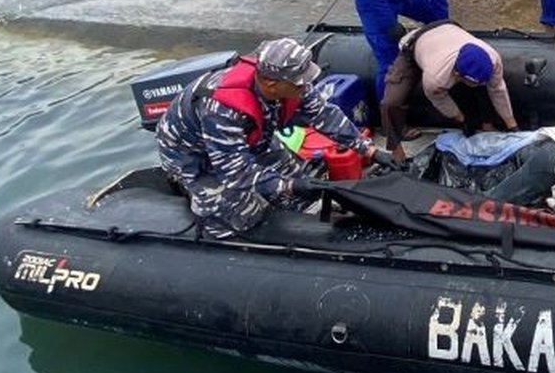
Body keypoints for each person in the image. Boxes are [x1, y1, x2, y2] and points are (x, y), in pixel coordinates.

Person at [156, 37, 396, 239]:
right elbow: (235, 171)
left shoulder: (291, 84)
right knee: (241, 216)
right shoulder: (221, 109)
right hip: (194, 153)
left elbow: (324, 115)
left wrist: (369, 150)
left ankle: (308, 224)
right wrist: (288, 186)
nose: (306, 88)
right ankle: (216, 227)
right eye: (300, 84)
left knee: (297, 179)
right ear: (272, 84)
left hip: (252, 137)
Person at [381, 21, 519, 162]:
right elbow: (440, 100)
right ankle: (395, 149)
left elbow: (498, 90)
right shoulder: (436, 78)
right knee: (392, 102)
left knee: (486, 87)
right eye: (474, 81)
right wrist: (462, 119)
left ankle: (487, 124)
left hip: (448, 28)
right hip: (416, 44)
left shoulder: (492, 58)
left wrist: (512, 127)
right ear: (458, 75)